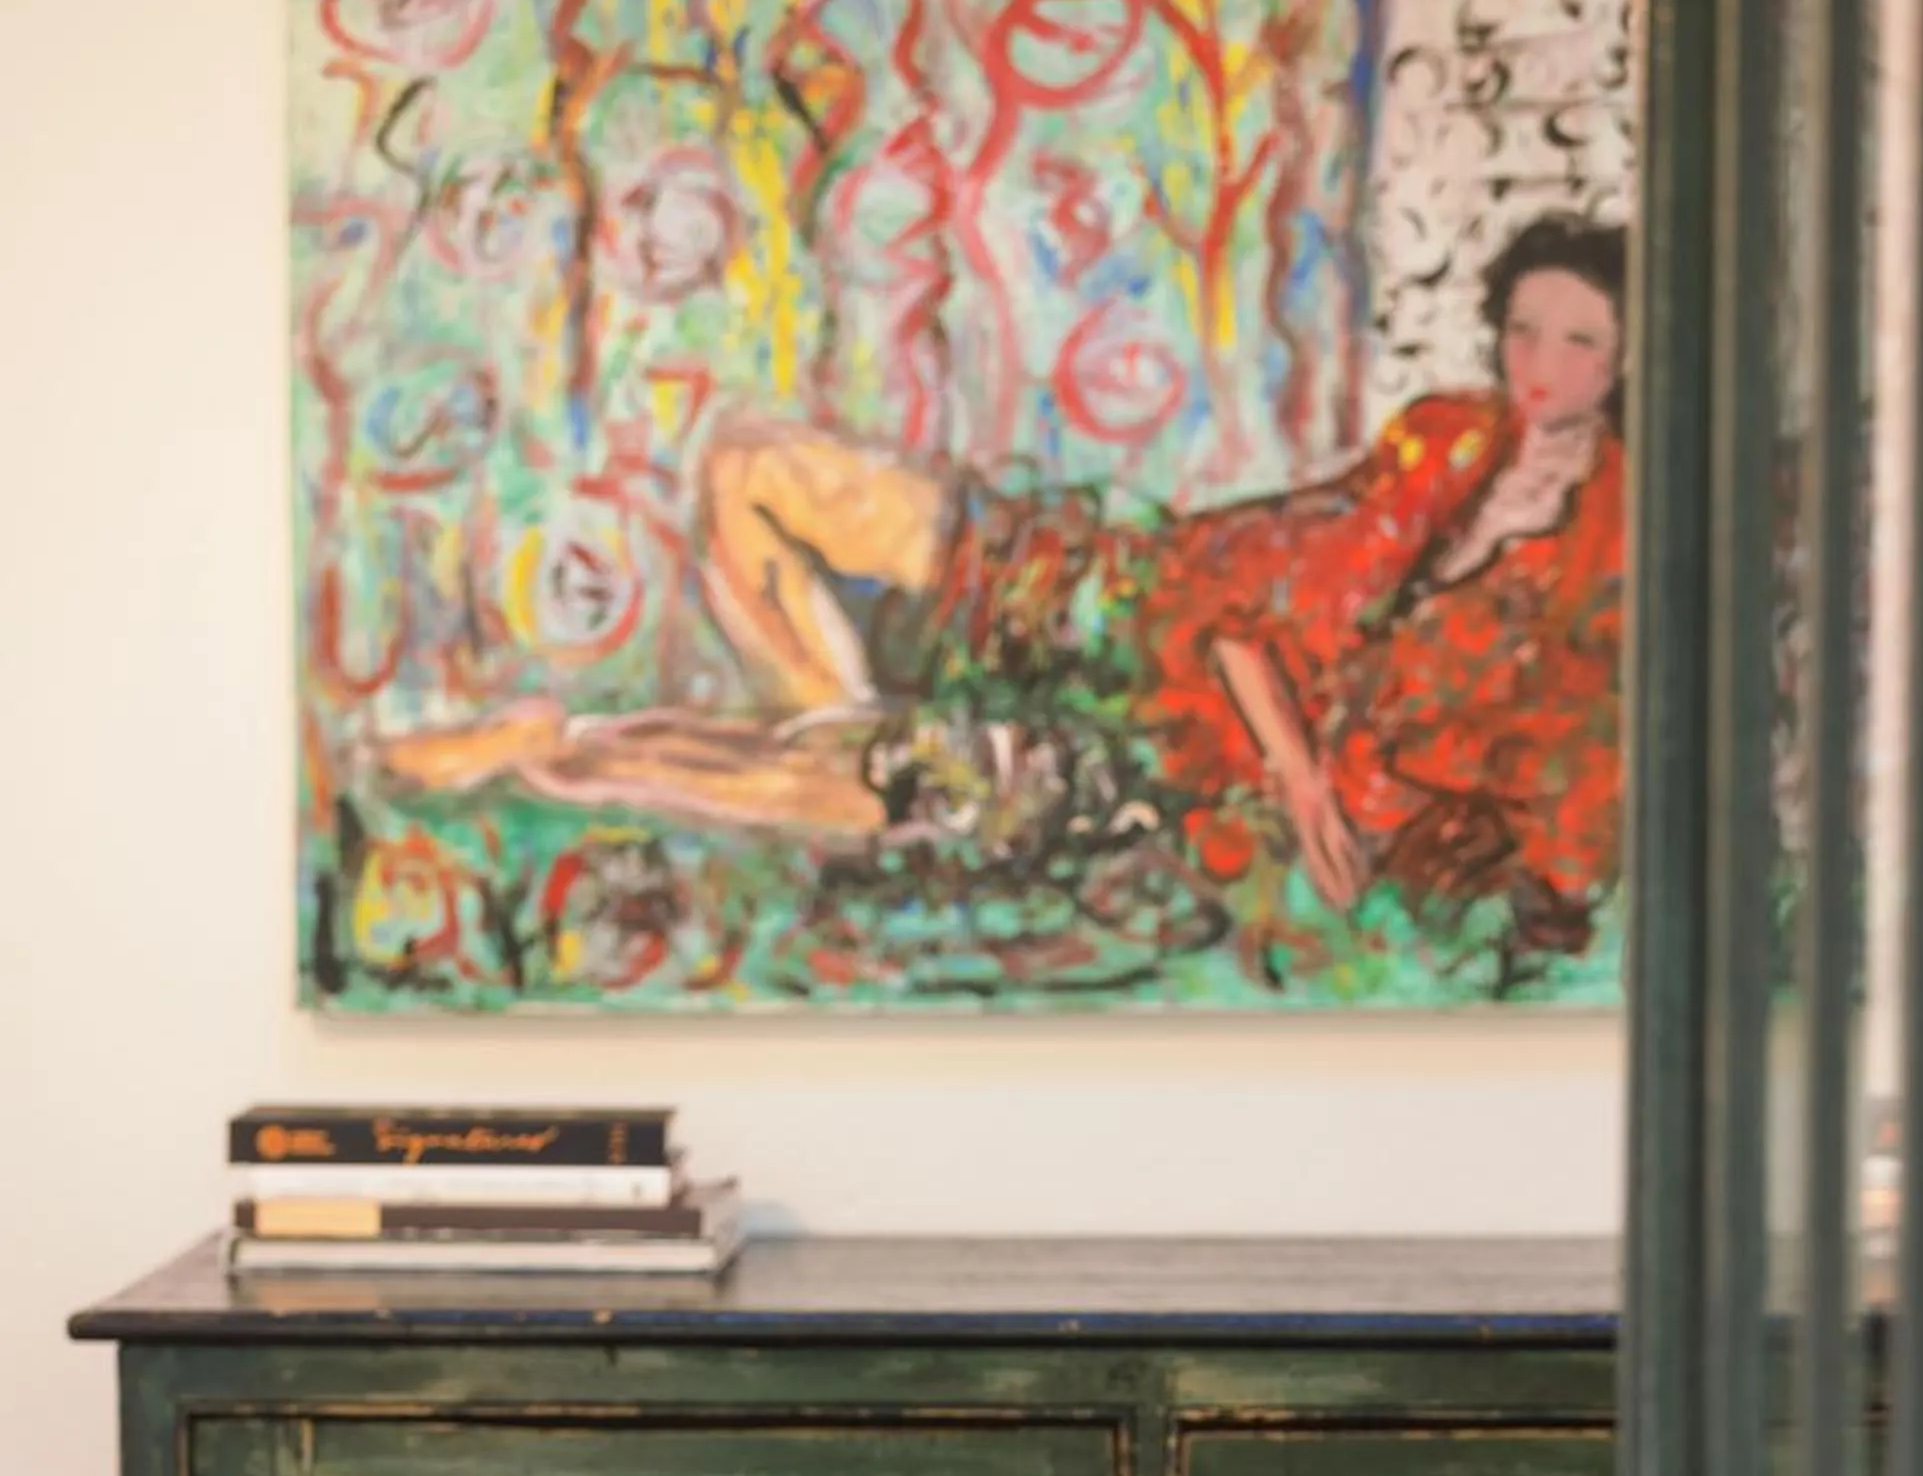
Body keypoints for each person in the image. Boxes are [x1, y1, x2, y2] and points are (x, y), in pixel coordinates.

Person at [379, 213, 1626, 954]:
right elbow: (1246, 610)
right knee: (752, 469)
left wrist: (1312, 784)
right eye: (1524, 328)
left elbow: (1512, 771)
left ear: (1623, 360)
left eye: (1576, 340)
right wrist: (1301, 765)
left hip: (1174, 751)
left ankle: (552, 749)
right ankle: (853, 728)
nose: (1540, 363)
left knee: (859, 784)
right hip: (1130, 594)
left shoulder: (1599, 548)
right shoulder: (1444, 438)